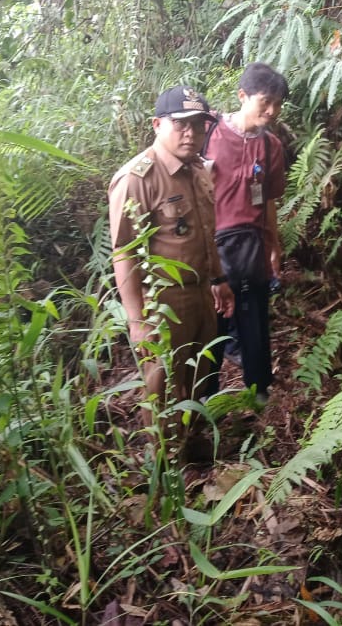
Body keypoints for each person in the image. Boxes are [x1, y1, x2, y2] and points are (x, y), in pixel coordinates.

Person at [108, 85, 235, 446]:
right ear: (157, 124)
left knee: (200, 372)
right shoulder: (137, 179)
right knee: (162, 383)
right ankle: (164, 465)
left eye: (198, 125)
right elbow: (124, 253)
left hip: (200, 295)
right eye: (180, 124)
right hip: (162, 302)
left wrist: (218, 279)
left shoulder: (198, 171)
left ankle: (193, 444)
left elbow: (206, 232)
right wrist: (136, 321)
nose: (191, 133)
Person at [204, 62, 288, 404]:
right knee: (212, 324)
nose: (272, 110)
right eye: (265, 101)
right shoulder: (208, 134)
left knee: (255, 318)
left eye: (278, 104)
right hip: (211, 245)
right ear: (242, 96)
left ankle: (258, 391)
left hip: (251, 244)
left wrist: (274, 245)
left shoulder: (271, 147)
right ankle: (204, 398)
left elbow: (267, 200)